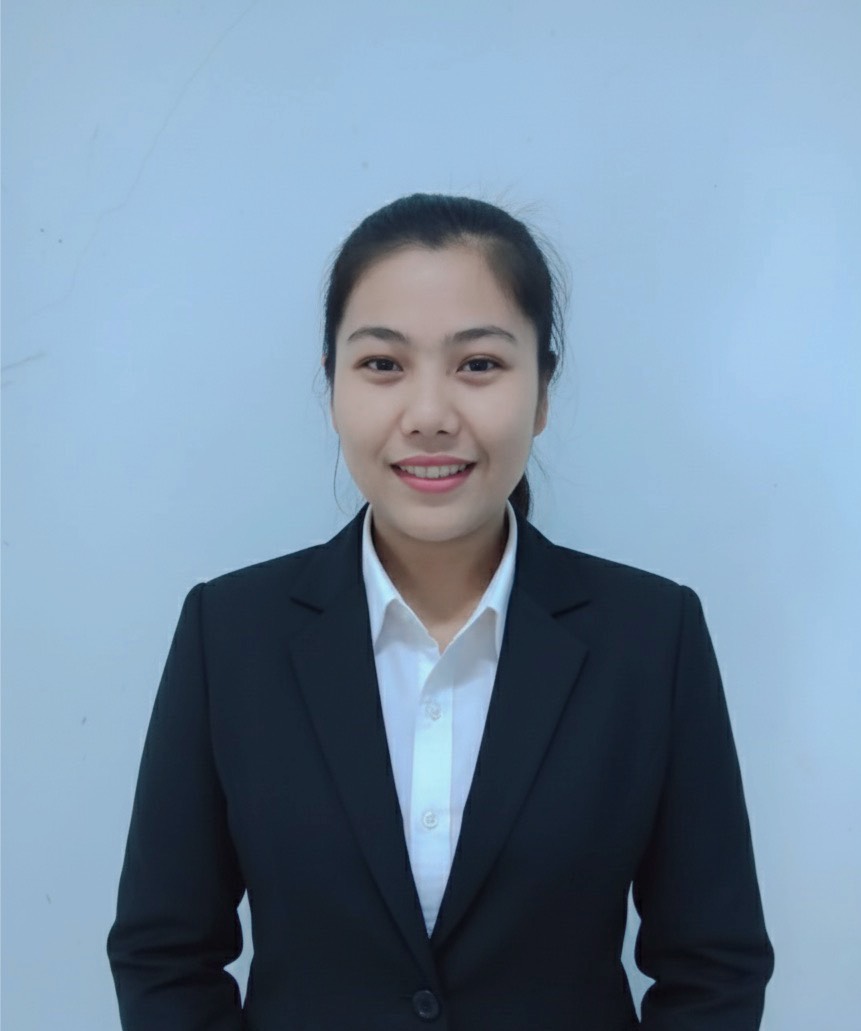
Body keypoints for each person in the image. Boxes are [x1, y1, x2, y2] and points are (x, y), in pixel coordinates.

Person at [107, 193, 774, 1030]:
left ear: (541, 391)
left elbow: (713, 965)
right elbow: (164, 953)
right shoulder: (230, 634)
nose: (428, 416)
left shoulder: (650, 637)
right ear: (331, 385)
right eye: (383, 364)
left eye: (478, 364)